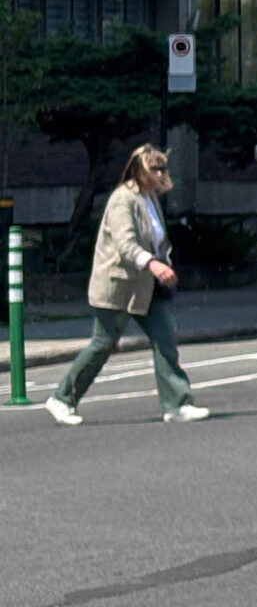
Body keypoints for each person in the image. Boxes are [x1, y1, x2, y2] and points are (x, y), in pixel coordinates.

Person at [44, 144, 210, 426]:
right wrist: (154, 264)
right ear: (139, 170)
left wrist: (164, 263)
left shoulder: (150, 198)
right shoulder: (124, 200)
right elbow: (125, 244)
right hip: (117, 286)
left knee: (165, 338)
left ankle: (177, 405)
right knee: (103, 344)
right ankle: (62, 399)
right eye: (154, 168)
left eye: (162, 168)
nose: (160, 173)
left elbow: (157, 240)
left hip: (146, 288)